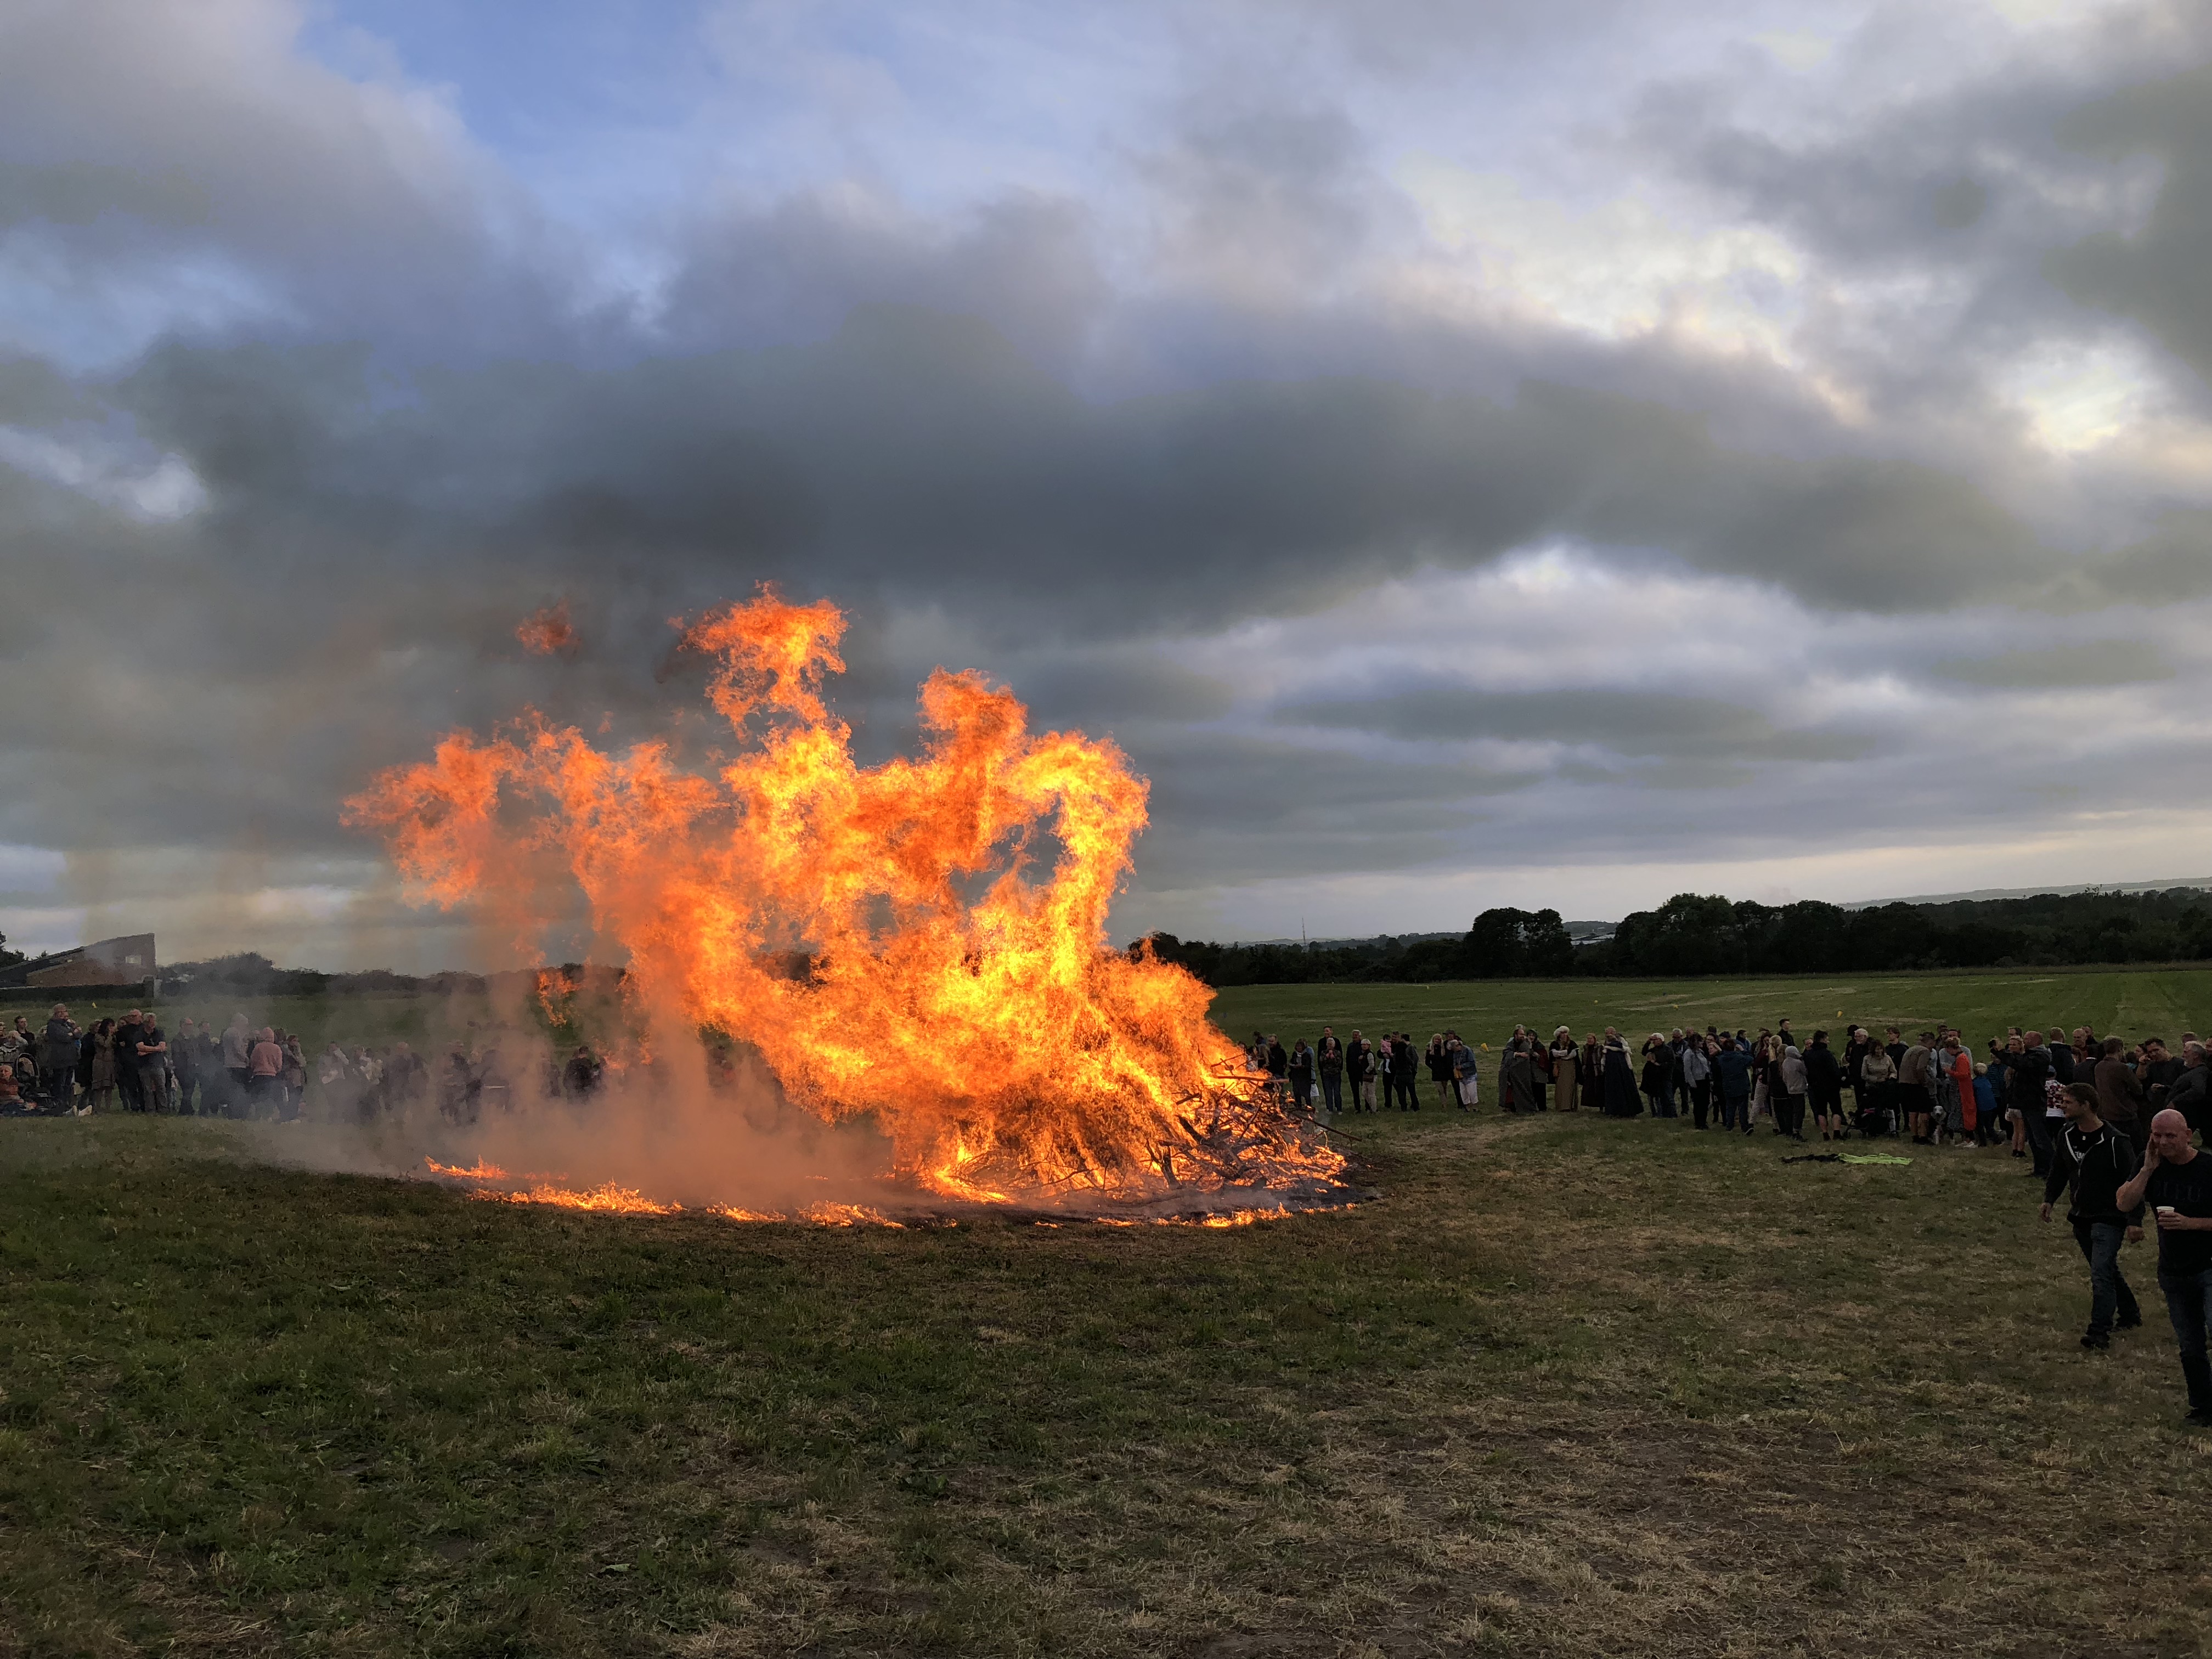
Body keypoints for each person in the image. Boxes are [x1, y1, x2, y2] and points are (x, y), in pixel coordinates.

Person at [2115, 1109, 2212, 1424]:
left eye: (2170, 1135)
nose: (2163, 1141)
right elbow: (2124, 1203)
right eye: (2157, 1135)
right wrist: (2146, 1170)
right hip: (2173, 1269)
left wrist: (2191, 1224)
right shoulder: (2151, 1165)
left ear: (2188, 1135)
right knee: (2190, 1345)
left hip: (2209, 1265)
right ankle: (2202, 1407)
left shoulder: (2207, 1168)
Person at [2041, 1081, 2144, 1350]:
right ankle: (2131, 1314)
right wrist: (2049, 1200)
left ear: (2087, 1106)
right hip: (2081, 1216)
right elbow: (2059, 1169)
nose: (2062, 1106)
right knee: (2106, 1269)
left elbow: (2132, 1182)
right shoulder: (2065, 1134)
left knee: (2100, 1273)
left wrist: (2134, 1221)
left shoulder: (2115, 1141)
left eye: (2068, 1102)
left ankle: (2099, 1332)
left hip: (2110, 1217)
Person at [2094, 1036, 2148, 1155]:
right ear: (2120, 1050)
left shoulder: (2099, 1067)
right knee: (2137, 1147)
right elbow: (2138, 1089)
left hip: (2107, 1114)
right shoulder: (2122, 1068)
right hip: (2125, 1115)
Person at [37, 1005, 80, 1116]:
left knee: (68, 1084)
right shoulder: (53, 1026)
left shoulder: (67, 1024)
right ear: (58, 1013)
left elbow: (78, 1034)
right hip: (60, 1060)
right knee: (60, 1084)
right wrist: (73, 1033)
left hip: (71, 1059)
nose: (65, 1014)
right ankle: (59, 1105)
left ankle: (66, 1105)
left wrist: (73, 1033)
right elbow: (64, 1038)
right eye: (63, 1012)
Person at [1805, 1030, 1844, 1141]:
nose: (1828, 1041)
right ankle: (1836, 1133)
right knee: (1836, 1109)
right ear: (1822, 1040)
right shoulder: (1827, 1054)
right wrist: (1841, 1079)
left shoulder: (1809, 1054)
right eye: (1827, 1039)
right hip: (1831, 1087)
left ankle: (1825, 1134)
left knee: (1821, 1111)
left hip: (1816, 1087)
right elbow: (1834, 1071)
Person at [1711, 1036, 1753, 1132]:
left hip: (1728, 1086)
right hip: (1741, 1086)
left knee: (1730, 1107)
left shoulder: (1721, 1059)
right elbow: (1750, 1059)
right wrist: (1743, 1050)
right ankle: (1744, 1127)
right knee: (1743, 1109)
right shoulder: (1740, 1058)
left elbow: (1721, 1056)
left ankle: (1729, 1126)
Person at [1859, 1037, 1897, 1138]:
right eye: (1876, 1049)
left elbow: (1894, 1071)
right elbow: (1864, 1075)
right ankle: (1874, 1128)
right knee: (1875, 1108)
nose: (1879, 1051)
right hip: (1873, 1087)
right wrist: (1876, 1079)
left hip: (1886, 1086)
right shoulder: (1867, 1059)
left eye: (1880, 1049)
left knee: (1889, 1106)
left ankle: (1893, 1129)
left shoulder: (1887, 1058)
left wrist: (1891, 1077)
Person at [246, 1026, 285, 1118]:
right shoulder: (277, 1048)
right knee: (275, 1097)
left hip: (259, 1075)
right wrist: (276, 1070)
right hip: (272, 1076)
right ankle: (282, 1116)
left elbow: (253, 1061)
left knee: (254, 1097)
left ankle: (254, 1116)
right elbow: (279, 1065)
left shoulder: (258, 1047)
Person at [134, 1013, 170, 1113]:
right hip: (144, 1066)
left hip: (158, 1065)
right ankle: (150, 1110)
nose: (154, 1023)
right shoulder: (139, 1034)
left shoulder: (159, 1032)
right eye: (151, 1021)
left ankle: (163, 1109)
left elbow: (162, 1047)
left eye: (154, 1021)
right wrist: (156, 1049)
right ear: (146, 1022)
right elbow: (140, 1048)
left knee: (161, 1088)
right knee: (147, 1090)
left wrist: (147, 1051)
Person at [1680, 1031, 1712, 1130]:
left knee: (1705, 1102)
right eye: (1700, 1041)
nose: (1702, 1043)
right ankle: (1699, 1122)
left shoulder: (1701, 1052)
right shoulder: (1688, 1054)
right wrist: (1692, 1083)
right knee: (1698, 1103)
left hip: (1705, 1080)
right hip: (1696, 1082)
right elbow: (1687, 1070)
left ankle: (1704, 1120)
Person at [1550, 1026, 1579, 1114]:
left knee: (1570, 1086)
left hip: (1570, 1068)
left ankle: (1570, 1106)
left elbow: (1573, 1054)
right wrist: (1564, 1054)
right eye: (1562, 1033)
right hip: (1560, 1067)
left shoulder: (1572, 1043)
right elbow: (1554, 1054)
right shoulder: (1554, 1044)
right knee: (1561, 1087)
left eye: (1566, 1033)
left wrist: (1563, 1054)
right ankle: (1561, 1106)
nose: (1564, 1035)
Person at [1316, 1028, 1344, 1116]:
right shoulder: (1324, 1053)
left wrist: (1333, 1057)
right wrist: (1327, 1056)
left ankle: (1339, 1108)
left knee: (1337, 1092)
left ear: (1334, 1045)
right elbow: (1321, 1062)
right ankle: (1330, 1108)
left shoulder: (1338, 1053)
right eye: (1328, 1044)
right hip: (1326, 1074)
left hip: (1336, 1074)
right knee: (1328, 1092)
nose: (1329, 1046)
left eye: (1331, 1044)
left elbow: (1339, 1063)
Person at [1451, 1032, 1479, 1109]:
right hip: (1461, 1075)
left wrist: (1462, 1066)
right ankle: (1467, 1107)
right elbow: (1454, 1062)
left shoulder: (1468, 1050)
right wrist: (1455, 1070)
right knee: (1464, 1092)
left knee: (1472, 1092)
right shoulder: (1455, 1053)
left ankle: (1475, 1107)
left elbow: (1472, 1062)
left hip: (1470, 1074)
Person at [1426, 1033, 1454, 1110]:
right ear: (1433, 1040)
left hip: (1444, 1072)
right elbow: (1427, 1062)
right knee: (1440, 1089)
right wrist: (1433, 1067)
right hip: (1436, 1073)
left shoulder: (1443, 1048)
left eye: (1439, 1039)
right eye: (1436, 1039)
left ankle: (1445, 1103)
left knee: (1445, 1088)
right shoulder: (1430, 1049)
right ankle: (1444, 1105)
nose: (1437, 1041)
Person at [1347, 1033, 1374, 1114]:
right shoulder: (1350, 1046)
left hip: (1362, 1072)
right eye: (1353, 1035)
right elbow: (1348, 1058)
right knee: (1355, 1091)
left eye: (1356, 1035)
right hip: (1352, 1072)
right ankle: (1357, 1108)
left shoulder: (1363, 1046)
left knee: (1366, 1091)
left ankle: (1368, 1107)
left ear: (1360, 1036)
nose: (1355, 1036)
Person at [1289, 1039, 1315, 1114]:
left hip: (1305, 1078)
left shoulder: (1307, 1055)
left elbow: (1308, 1066)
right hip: (1296, 1077)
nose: (1299, 1048)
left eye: (1300, 1046)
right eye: (1297, 1046)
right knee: (1297, 1093)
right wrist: (1292, 1066)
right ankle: (1299, 1107)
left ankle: (1309, 1108)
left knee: (1307, 1094)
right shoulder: (1295, 1054)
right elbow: (1291, 1062)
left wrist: (1302, 1066)